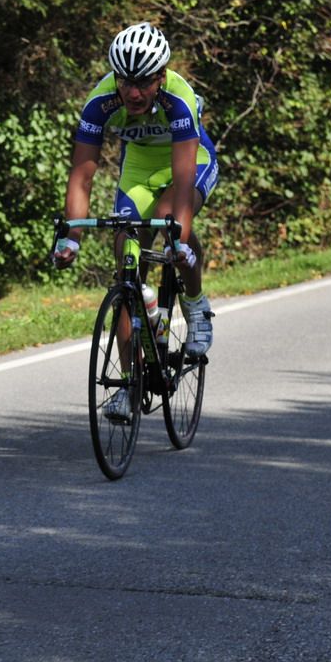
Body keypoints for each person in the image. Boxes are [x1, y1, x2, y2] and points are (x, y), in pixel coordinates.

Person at [52, 22, 218, 419]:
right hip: (139, 168)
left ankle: (195, 304)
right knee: (126, 259)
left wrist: (178, 239)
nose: (134, 92)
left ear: (161, 76)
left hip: (188, 161)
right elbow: (82, 175)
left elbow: (180, 181)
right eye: (126, 82)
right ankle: (128, 384)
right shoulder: (100, 101)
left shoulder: (179, 98)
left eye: (144, 82)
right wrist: (71, 236)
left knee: (169, 222)